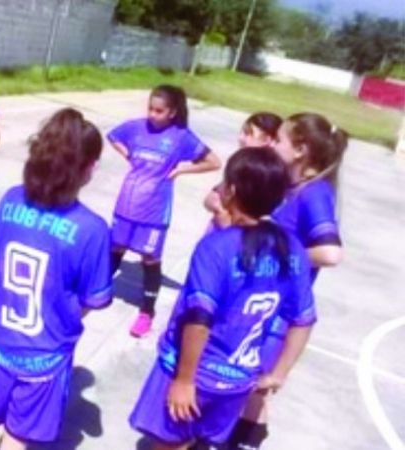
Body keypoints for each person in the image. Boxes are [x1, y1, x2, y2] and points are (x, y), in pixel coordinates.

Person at [130, 148, 316, 450]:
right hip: (237, 381)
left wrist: (184, 380)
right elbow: (304, 318)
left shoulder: (217, 248)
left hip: (197, 372)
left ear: (232, 191)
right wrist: (278, 375)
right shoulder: (292, 249)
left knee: (168, 444)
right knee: (197, 441)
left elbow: (200, 318)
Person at [0, 108, 112, 450]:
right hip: (44, 356)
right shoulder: (91, 229)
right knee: (18, 435)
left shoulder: (11, 199)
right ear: (89, 168)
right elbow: (92, 299)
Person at [227, 114, 346, 450]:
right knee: (249, 391)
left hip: (278, 314)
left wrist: (280, 258)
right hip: (261, 303)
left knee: (256, 391)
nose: (272, 144)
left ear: (300, 150)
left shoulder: (314, 194)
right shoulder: (288, 187)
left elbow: (331, 253)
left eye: (279, 139)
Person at [108, 85, 221, 338]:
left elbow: (214, 162)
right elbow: (113, 136)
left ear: (172, 112)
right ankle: (98, 290)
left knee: (150, 258)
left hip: (154, 211)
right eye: (150, 108)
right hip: (127, 203)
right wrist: (128, 154)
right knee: (115, 247)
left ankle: (146, 312)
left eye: (159, 111)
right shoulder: (136, 127)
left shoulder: (181, 137)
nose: (152, 114)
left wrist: (182, 169)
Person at [203, 112, 282, 229]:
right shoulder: (239, 165)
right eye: (242, 132)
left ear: (267, 140)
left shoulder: (269, 177)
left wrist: (228, 226)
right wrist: (220, 210)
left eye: (248, 133)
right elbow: (210, 199)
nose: (240, 138)